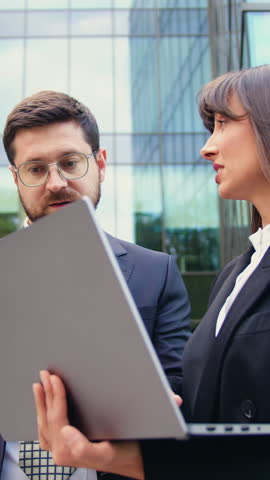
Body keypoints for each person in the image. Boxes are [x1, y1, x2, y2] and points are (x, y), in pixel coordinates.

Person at [29, 64, 270, 479]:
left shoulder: (160, 273)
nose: (207, 148)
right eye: (35, 169)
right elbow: (211, 426)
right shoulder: (234, 276)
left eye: (223, 123)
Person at [0, 91, 191, 480]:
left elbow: (177, 384)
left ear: (100, 164)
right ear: (16, 178)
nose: (56, 183)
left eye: (70, 163)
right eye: (35, 169)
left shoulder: (157, 273)